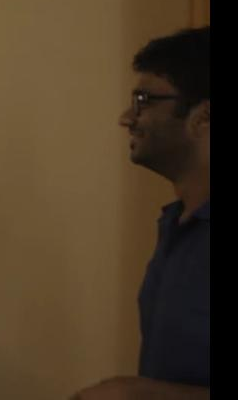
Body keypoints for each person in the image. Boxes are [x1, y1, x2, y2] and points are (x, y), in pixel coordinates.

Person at [72, 26, 210, 399]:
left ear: (203, 116)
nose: (126, 117)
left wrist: (141, 395)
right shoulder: (176, 225)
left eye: (144, 100)